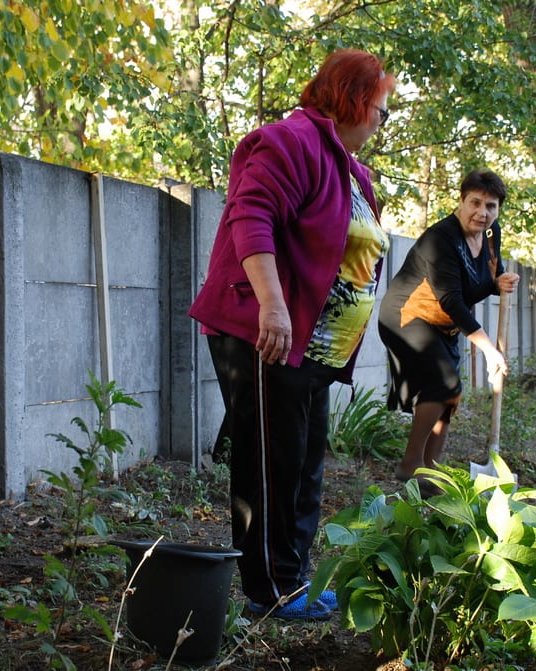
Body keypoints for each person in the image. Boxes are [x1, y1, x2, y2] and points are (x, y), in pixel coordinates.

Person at [189, 49, 396, 621]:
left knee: (304, 460)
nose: (382, 121)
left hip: (311, 345)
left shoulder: (346, 166)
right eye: (380, 108)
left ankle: (292, 577)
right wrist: (273, 308)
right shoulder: (290, 141)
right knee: (270, 462)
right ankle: (268, 590)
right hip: (267, 334)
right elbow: (249, 215)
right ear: (353, 100)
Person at [378, 168, 519, 493]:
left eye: (491, 206)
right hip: (406, 317)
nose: (482, 213)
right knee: (444, 384)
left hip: (443, 325)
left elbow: (484, 277)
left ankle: (431, 471)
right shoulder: (440, 239)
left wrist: (500, 282)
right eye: (475, 203)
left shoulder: (489, 233)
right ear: (461, 200)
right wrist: (488, 349)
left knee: (451, 395)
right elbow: (452, 300)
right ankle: (412, 464)